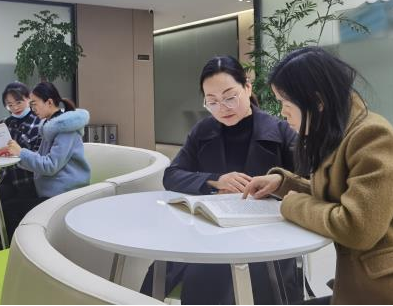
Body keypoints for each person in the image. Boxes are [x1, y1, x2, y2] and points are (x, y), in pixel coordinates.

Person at [141, 56, 303, 304]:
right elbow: (172, 175)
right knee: (205, 277)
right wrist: (215, 181)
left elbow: (307, 181)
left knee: (255, 283)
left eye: (230, 97)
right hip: (210, 236)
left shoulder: (280, 131)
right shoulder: (202, 131)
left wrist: (278, 182)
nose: (222, 108)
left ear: (247, 87)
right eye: (212, 101)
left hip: (265, 238)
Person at [243, 47, 393, 305]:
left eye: (286, 104)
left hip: (378, 290)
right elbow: (336, 195)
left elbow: (357, 228)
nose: (283, 113)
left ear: (317, 101)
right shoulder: (341, 132)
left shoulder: (371, 136)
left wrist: (292, 204)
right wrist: (284, 183)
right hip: (357, 281)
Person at [0, 81, 90, 239]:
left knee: (10, 209)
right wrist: (16, 154)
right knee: (6, 200)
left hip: (62, 193)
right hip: (49, 189)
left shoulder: (65, 130)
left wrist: (21, 153)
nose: (33, 108)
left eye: (34, 104)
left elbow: (50, 165)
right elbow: (41, 160)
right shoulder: (50, 125)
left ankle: (17, 249)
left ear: (49, 102)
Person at [0, 82, 42, 212]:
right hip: (6, 179)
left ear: (28, 98)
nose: (15, 108)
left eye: (19, 102)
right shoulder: (4, 123)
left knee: (10, 209)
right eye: (10, 105)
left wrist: (18, 150)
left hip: (29, 181)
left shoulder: (39, 122)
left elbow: (40, 156)